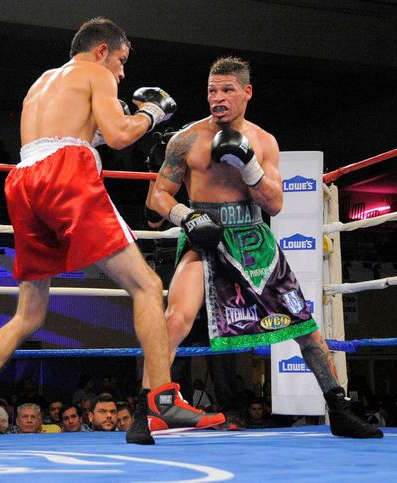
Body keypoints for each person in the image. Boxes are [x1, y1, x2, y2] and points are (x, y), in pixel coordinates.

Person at [0, 17, 221, 445]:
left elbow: (69, 135)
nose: (122, 73)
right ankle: (162, 399)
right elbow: (122, 136)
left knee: (29, 314)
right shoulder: (94, 72)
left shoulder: (43, 83)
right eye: (122, 61)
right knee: (145, 285)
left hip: (23, 181)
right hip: (64, 176)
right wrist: (150, 114)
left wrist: (114, 127)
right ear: (102, 50)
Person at [146, 56, 381, 439]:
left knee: (305, 328)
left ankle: (339, 408)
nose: (217, 98)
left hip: (253, 238)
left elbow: (274, 204)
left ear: (246, 92)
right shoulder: (186, 139)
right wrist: (185, 217)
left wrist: (248, 164)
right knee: (174, 320)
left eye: (227, 90)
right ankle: (149, 407)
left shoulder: (263, 141)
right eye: (212, 91)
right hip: (202, 235)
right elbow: (158, 196)